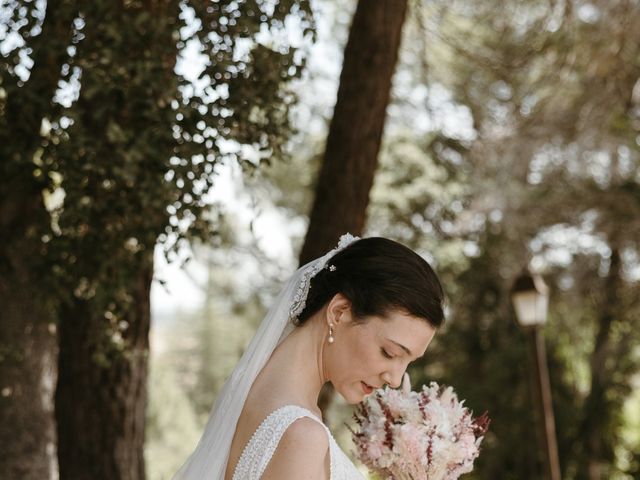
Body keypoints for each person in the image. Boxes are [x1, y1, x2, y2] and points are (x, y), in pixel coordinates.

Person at [173, 234, 445, 480]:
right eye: (390, 352)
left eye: (408, 362)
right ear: (339, 312)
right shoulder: (302, 436)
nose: (396, 380)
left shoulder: (256, 392)